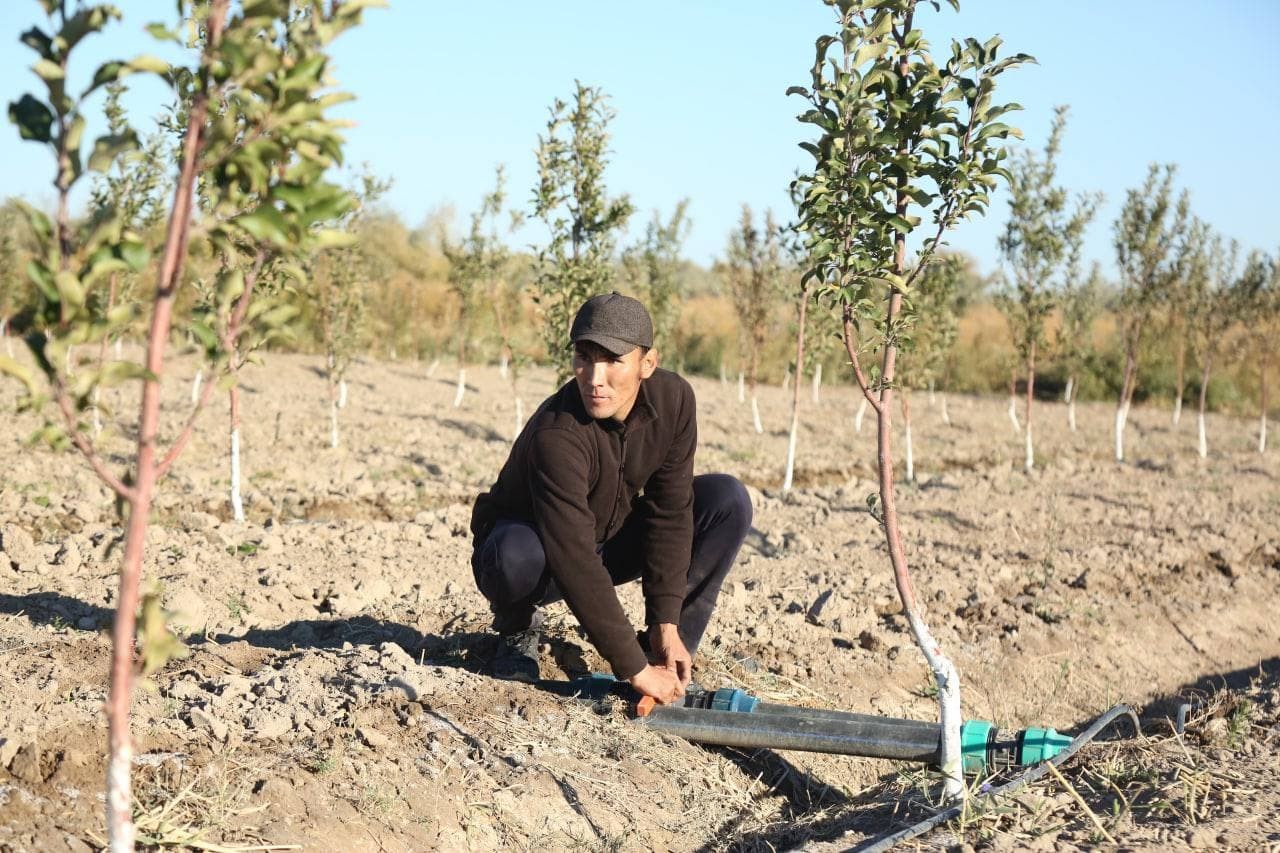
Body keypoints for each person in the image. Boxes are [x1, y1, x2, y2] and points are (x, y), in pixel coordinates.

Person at [469, 292, 752, 705]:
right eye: (584, 357)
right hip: (538, 555)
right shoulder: (557, 434)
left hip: (608, 540)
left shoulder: (674, 400)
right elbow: (573, 555)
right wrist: (631, 668)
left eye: (613, 360)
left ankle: (668, 653)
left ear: (647, 363)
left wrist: (665, 621)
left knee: (725, 500)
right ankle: (517, 629)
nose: (594, 377)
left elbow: (670, 512)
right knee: (513, 554)